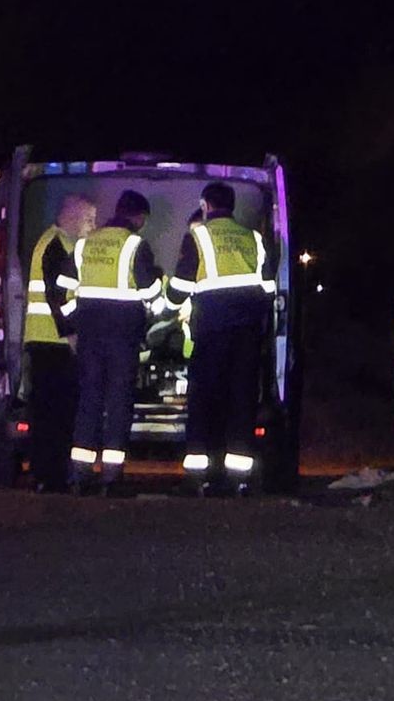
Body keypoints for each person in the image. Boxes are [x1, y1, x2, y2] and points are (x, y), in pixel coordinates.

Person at [166, 181, 274, 497]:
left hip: (211, 331)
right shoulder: (253, 238)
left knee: (204, 402)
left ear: (205, 205)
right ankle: (239, 479)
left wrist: (170, 301)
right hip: (247, 334)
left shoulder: (198, 235)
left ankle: (200, 477)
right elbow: (268, 289)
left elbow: (181, 286)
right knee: (241, 402)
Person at [64, 190, 163, 497]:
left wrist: (74, 322)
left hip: (90, 335)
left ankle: (80, 475)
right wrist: (160, 305)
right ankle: (111, 477)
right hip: (123, 335)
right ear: (139, 217)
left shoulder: (85, 243)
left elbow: (64, 289)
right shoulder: (135, 244)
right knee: (118, 403)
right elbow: (149, 291)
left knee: (89, 401)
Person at [23, 194, 97, 493]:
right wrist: (72, 336)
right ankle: (51, 475)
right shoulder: (57, 245)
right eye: (89, 219)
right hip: (52, 343)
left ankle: (46, 473)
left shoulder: (58, 242)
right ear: (71, 216)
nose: (92, 226)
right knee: (56, 413)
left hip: (46, 341)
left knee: (48, 411)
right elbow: (57, 297)